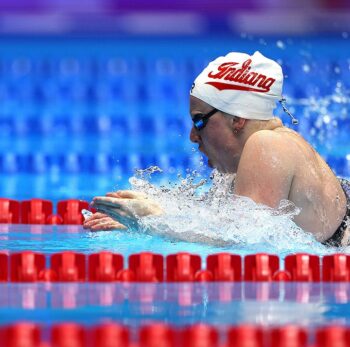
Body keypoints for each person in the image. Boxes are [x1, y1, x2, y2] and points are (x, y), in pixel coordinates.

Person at [84, 51, 350, 247]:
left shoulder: (267, 144)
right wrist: (142, 219)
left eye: (199, 121)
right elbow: (224, 223)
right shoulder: (265, 148)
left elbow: (245, 240)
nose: (192, 136)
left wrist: (153, 219)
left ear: (238, 119)